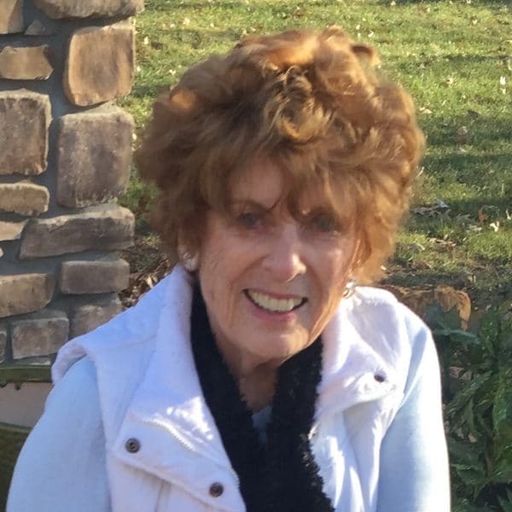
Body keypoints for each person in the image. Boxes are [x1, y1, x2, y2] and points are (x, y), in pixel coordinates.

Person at [8, 27, 450, 512]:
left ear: (360, 245)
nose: (285, 264)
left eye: (323, 224)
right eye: (250, 219)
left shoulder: (396, 354)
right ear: (193, 231)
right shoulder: (98, 402)